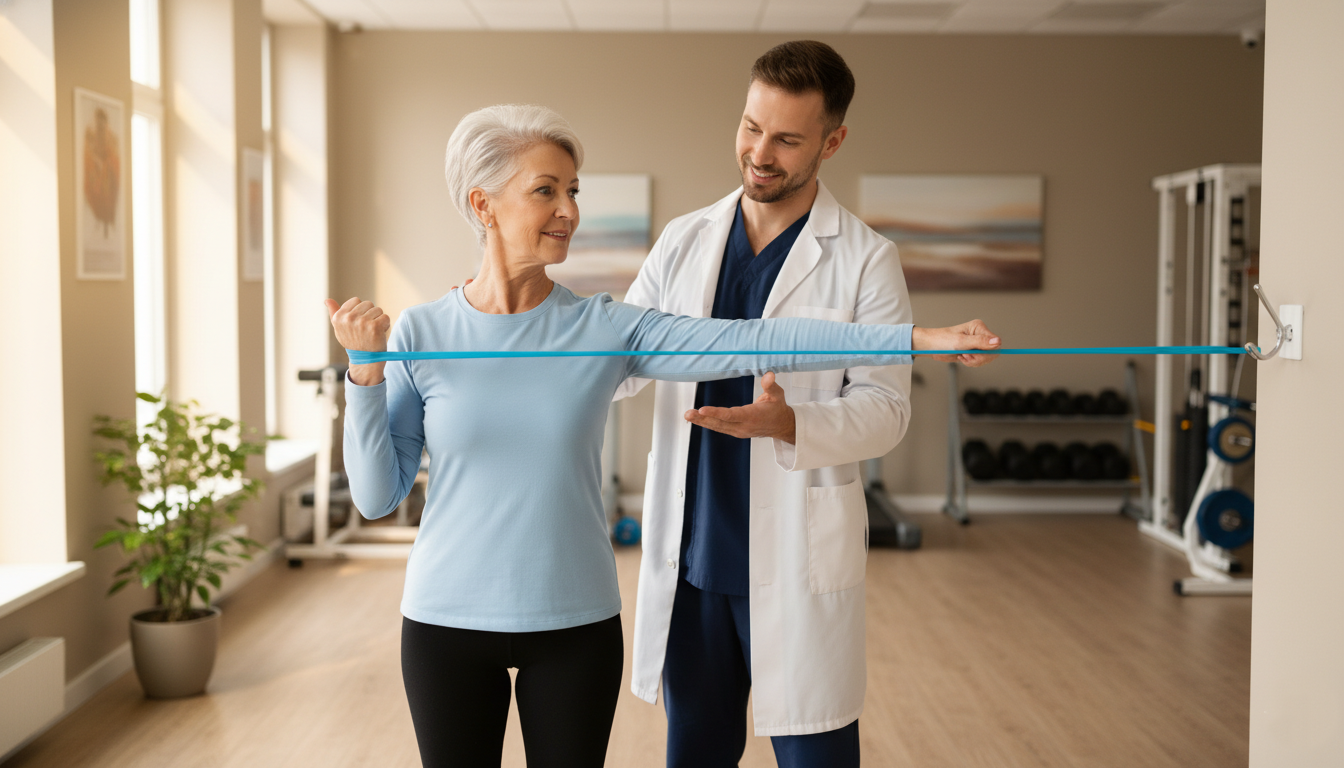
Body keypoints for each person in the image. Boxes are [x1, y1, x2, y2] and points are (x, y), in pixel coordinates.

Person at [327, 104, 993, 768]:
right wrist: (364, 372)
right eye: (545, 191)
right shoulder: (420, 333)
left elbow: (757, 340)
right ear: (484, 204)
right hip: (444, 620)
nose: (568, 210)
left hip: (575, 624)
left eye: (573, 190)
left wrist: (917, 339)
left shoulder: (605, 328)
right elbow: (378, 496)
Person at [616, 41, 998, 767]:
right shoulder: (684, 240)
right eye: (750, 127)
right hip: (692, 555)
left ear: (833, 141)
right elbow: (625, 360)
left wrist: (791, 423)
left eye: (787, 140)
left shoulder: (865, 258)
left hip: (794, 554)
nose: (760, 154)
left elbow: (886, 408)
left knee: (814, 754)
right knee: (694, 750)